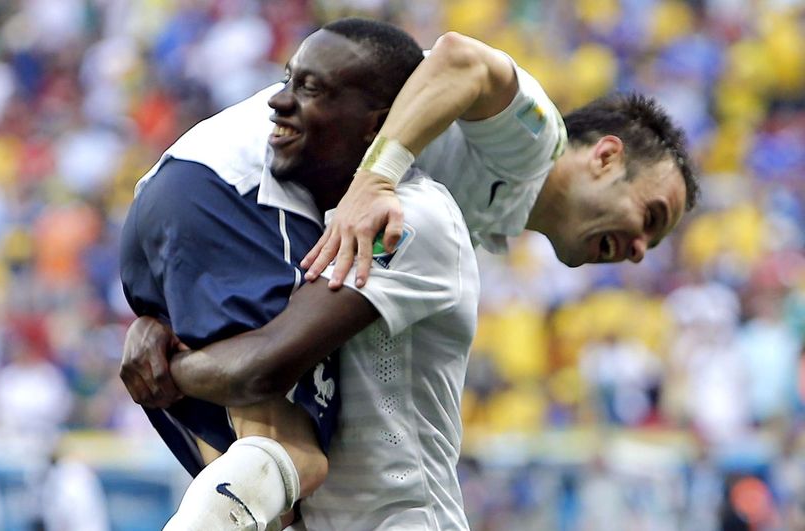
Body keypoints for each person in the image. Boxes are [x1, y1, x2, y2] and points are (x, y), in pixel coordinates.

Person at [121, 17, 699, 531]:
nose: (640, 250)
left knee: (272, 487)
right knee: (285, 444)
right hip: (250, 182)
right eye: (651, 217)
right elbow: (458, 57)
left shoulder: (464, 210)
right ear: (605, 157)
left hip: (188, 184)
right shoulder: (535, 141)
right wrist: (376, 179)